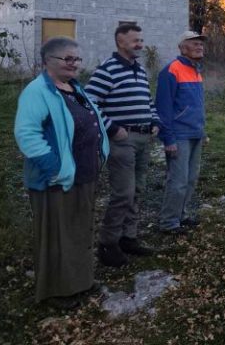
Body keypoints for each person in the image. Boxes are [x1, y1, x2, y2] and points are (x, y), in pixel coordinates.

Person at [14, 37, 112, 308]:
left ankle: (80, 282)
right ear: (48, 62)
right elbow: (27, 134)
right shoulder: (37, 92)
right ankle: (56, 292)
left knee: (79, 230)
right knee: (57, 236)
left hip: (84, 174)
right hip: (54, 179)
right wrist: (55, 169)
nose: (74, 64)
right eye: (67, 59)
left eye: (77, 59)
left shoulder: (74, 88)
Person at [86, 24, 160, 267]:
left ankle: (128, 237)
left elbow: (147, 100)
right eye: (135, 41)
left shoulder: (139, 68)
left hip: (142, 138)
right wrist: (112, 128)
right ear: (120, 42)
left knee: (137, 190)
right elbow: (88, 102)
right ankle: (108, 244)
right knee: (123, 193)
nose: (140, 44)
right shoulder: (108, 69)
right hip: (121, 140)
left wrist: (154, 121)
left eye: (141, 39)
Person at [156, 31, 206, 234]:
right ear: (182, 47)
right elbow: (163, 108)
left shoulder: (196, 70)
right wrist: (168, 138)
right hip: (179, 135)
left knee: (191, 178)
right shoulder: (171, 71)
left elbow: (197, 105)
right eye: (194, 43)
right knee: (177, 181)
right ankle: (169, 222)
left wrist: (203, 131)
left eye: (201, 44)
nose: (199, 47)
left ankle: (181, 214)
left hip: (196, 133)